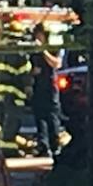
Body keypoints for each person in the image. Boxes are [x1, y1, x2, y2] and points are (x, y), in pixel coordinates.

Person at [28, 24, 62, 159]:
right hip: (37, 85)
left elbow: (56, 64)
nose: (37, 37)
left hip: (50, 85)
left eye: (40, 34)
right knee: (39, 115)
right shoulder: (33, 50)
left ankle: (55, 146)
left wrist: (43, 51)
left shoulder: (53, 48)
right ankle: (43, 145)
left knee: (52, 115)